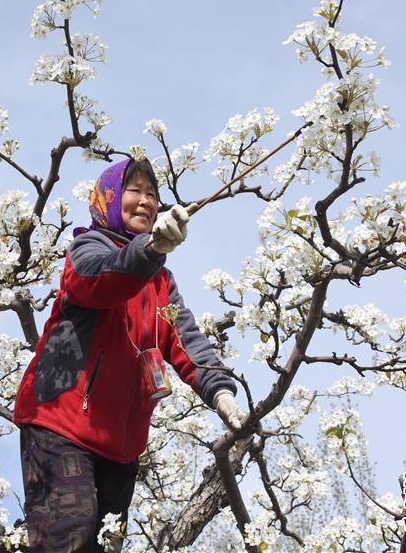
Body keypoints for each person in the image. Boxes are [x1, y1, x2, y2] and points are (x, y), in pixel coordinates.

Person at [13, 158, 245, 552]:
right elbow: (99, 281)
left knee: (104, 546)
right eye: (133, 191)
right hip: (61, 426)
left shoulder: (162, 283)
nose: (145, 202)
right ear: (109, 198)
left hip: (121, 446)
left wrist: (221, 393)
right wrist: (150, 248)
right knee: (72, 532)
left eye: (152, 195)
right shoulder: (87, 248)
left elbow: (185, 338)